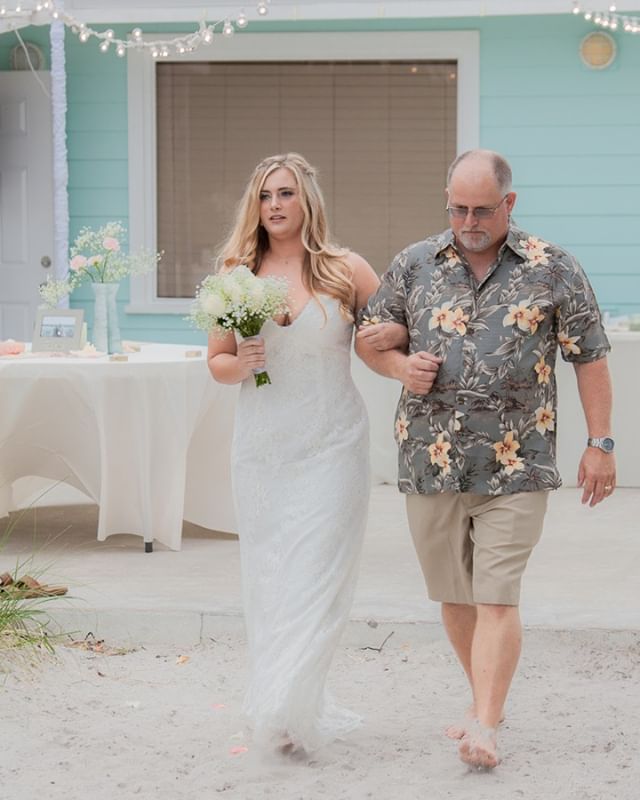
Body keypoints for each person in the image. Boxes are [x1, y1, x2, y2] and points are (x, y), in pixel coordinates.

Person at [355, 149, 615, 770]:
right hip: (429, 460)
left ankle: (487, 725)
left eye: (481, 209)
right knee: (454, 593)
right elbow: (370, 338)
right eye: (457, 208)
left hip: (517, 460)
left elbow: (592, 356)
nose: (467, 220)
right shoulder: (414, 264)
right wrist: (399, 365)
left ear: (510, 204)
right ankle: (483, 706)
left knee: (498, 594)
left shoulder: (554, 268)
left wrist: (600, 444)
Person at [207, 152, 407, 755]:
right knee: (271, 579)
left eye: (286, 193)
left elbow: (396, 326)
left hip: (332, 445)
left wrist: (394, 342)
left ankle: (287, 706)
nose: (275, 205)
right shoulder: (235, 272)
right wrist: (237, 363)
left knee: (318, 578)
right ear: (256, 204)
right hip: (264, 449)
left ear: (306, 200)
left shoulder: (346, 269)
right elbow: (216, 361)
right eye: (266, 195)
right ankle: (283, 700)